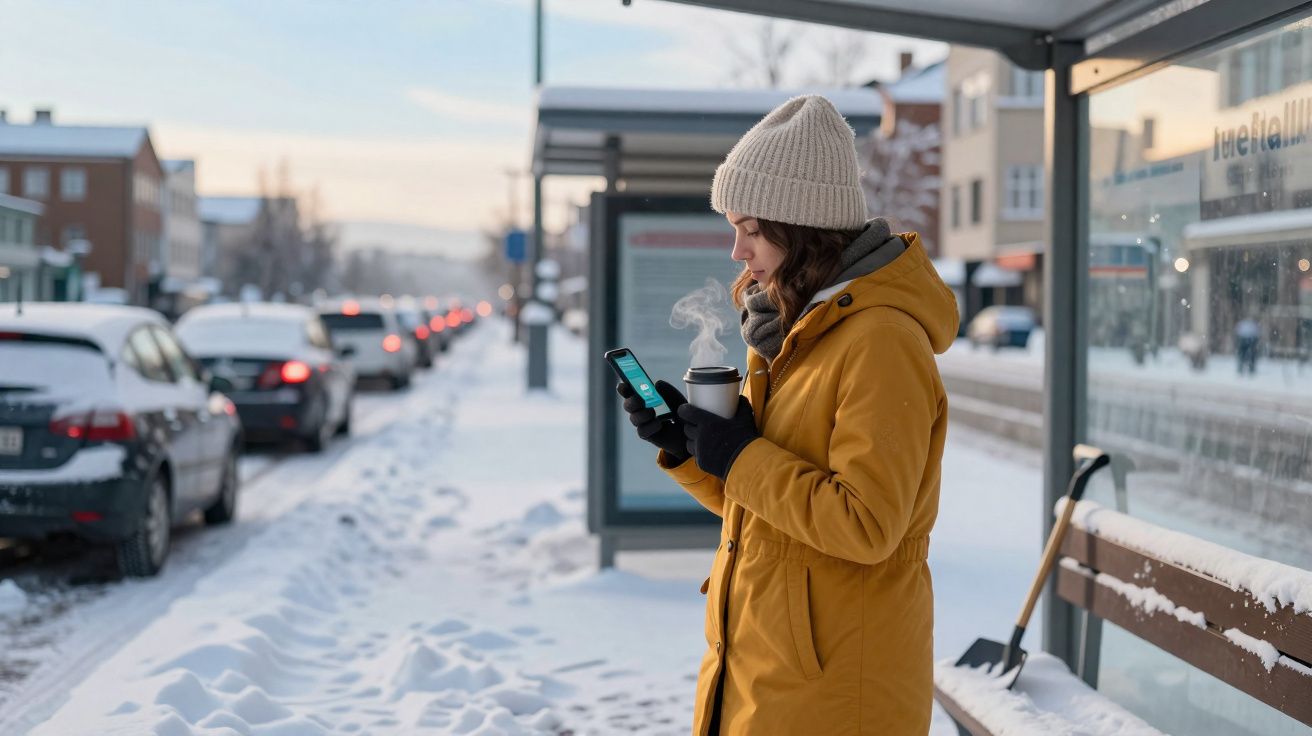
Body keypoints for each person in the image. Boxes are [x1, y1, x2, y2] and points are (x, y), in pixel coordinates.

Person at [616, 96, 959, 736]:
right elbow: (772, 515)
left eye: (749, 227)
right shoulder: (791, 333)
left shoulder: (880, 341)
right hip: (768, 672)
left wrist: (740, 453)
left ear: (800, 225)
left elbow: (864, 525)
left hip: (837, 692)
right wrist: (693, 448)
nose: (736, 250)